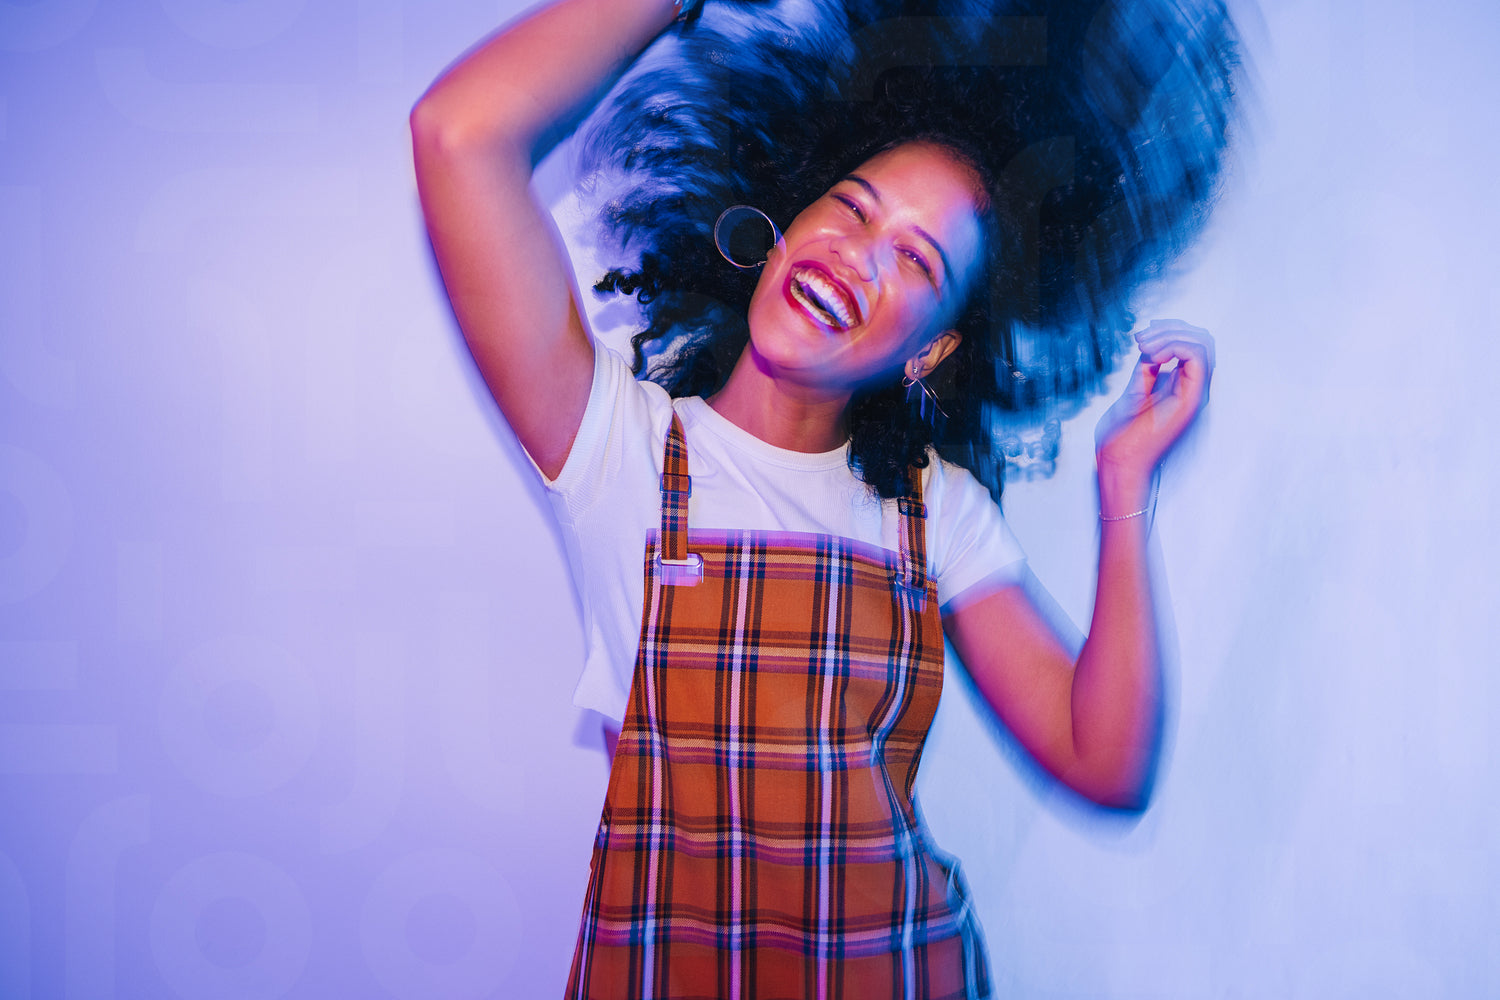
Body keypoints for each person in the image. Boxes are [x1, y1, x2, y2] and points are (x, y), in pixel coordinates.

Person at [411, 0, 1238, 995]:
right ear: (787, 221)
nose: (860, 250)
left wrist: (1125, 483)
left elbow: (1106, 764)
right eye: (852, 207)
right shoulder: (618, 449)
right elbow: (458, 133)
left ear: (930, 349)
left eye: (917, 259)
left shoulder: (931, 510)